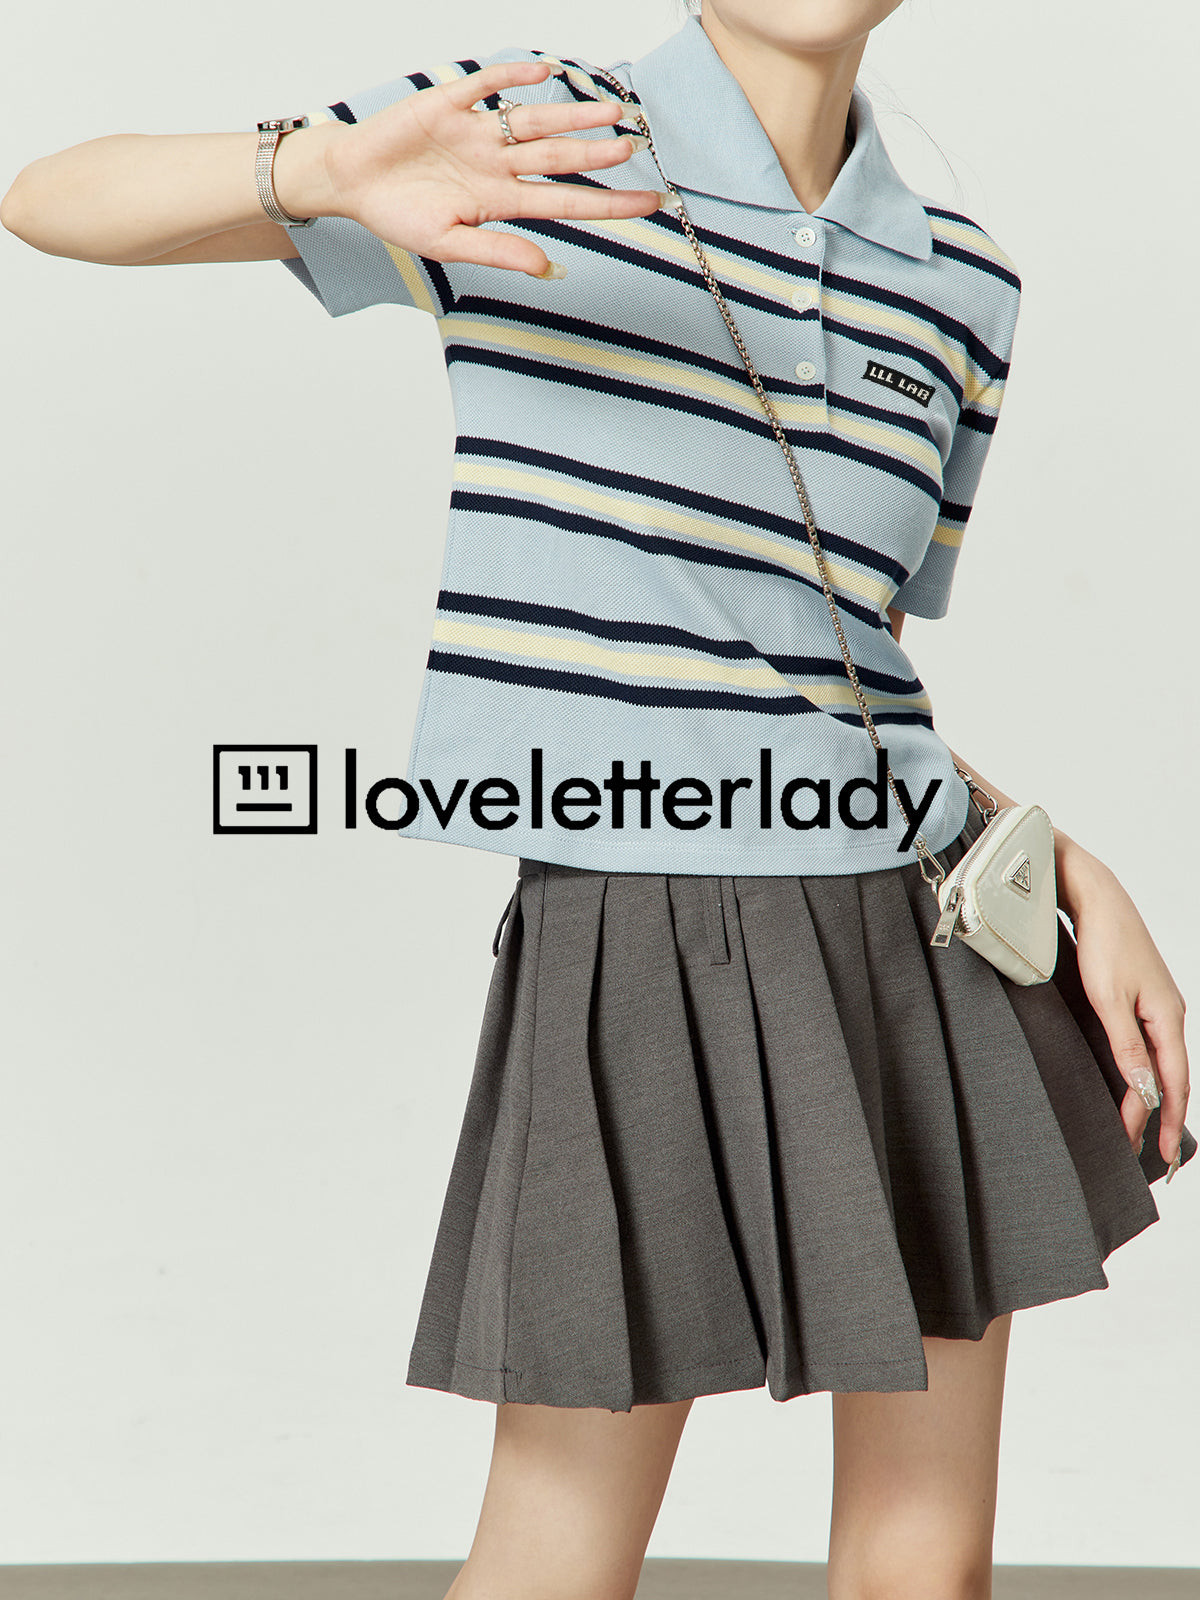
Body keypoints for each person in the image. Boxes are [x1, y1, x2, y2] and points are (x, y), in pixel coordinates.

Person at [3, 2, 1193, 1596]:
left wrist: (1066, 863)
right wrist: (327, 171)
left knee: (927, 1560)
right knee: (553, 1557)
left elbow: (840, 664)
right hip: (638, 923)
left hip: (920, 935)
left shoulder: (962, 281)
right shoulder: (530, 134)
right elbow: (51, 199)